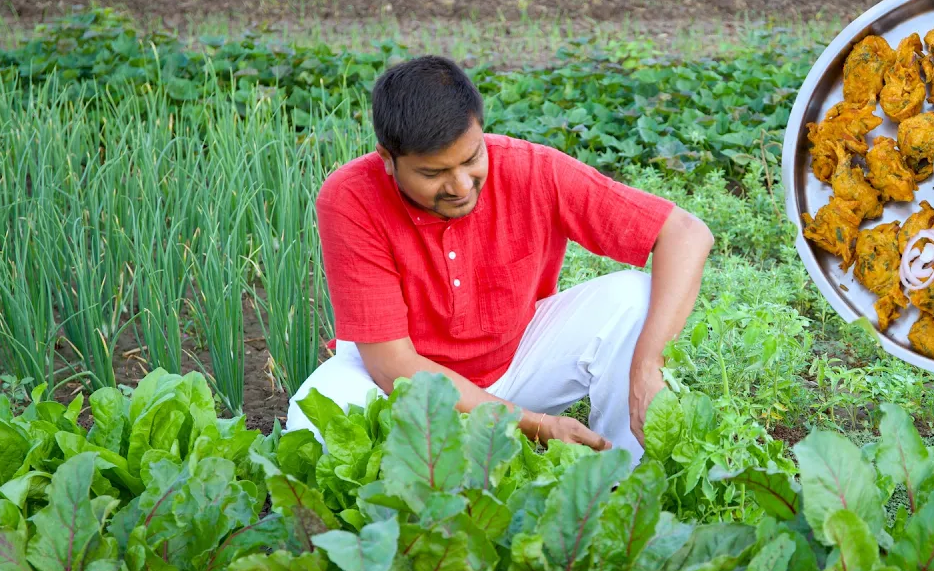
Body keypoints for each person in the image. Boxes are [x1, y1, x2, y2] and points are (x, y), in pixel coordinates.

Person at [285, 55, 713, 461]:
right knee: (312, 420)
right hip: (408, 388)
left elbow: (686, 233)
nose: (459, 185)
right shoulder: (350, 199)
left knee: (633, 297)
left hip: (520, 362)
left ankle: (622, 469)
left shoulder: (530, 169)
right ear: (388, 160)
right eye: (433, 174)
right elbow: (391, 366)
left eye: (472, 159)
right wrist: (538, 426)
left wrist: (646, 367)